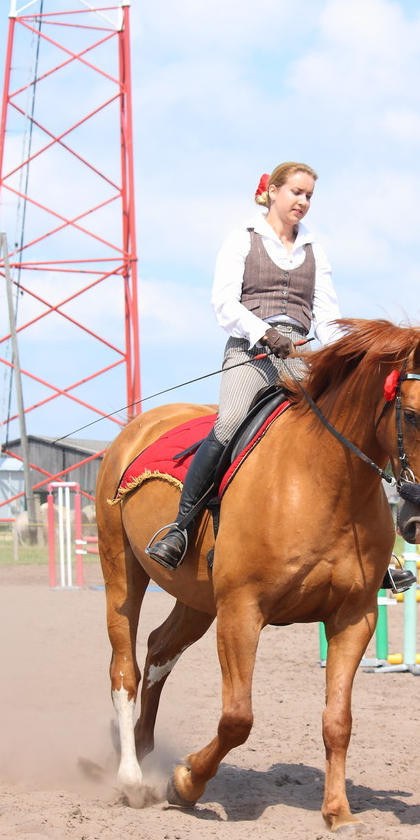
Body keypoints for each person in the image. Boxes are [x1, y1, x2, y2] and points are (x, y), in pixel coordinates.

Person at [146, 162, 342, 570]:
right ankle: (181, 527)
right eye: (297, 193)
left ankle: (364, 544)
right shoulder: (242, 239)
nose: (303, 202)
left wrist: (343, 349)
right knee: (232, 419)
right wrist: (267, 334)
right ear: (273, 191)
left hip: (300, 354)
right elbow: (224, 303)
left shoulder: (314, 249)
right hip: (249, 349)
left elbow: (325, 314)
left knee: (340, 424)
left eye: (309, 196)